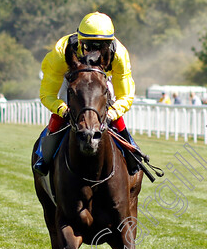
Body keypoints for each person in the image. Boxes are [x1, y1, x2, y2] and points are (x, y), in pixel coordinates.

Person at [32, 12, 146, 176]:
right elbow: (47, 94)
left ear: (110, 45)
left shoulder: (119, 54)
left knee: (108, 102)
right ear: (79, 41)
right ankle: (44, 157)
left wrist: (111, 113)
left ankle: (131, 150)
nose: (95, 53)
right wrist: (62, 109)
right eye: (90, 46)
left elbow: (126, 96)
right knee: (67, 101)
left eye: (101, 47)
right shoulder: (61, 53)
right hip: (71, 77)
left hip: (103, 78)